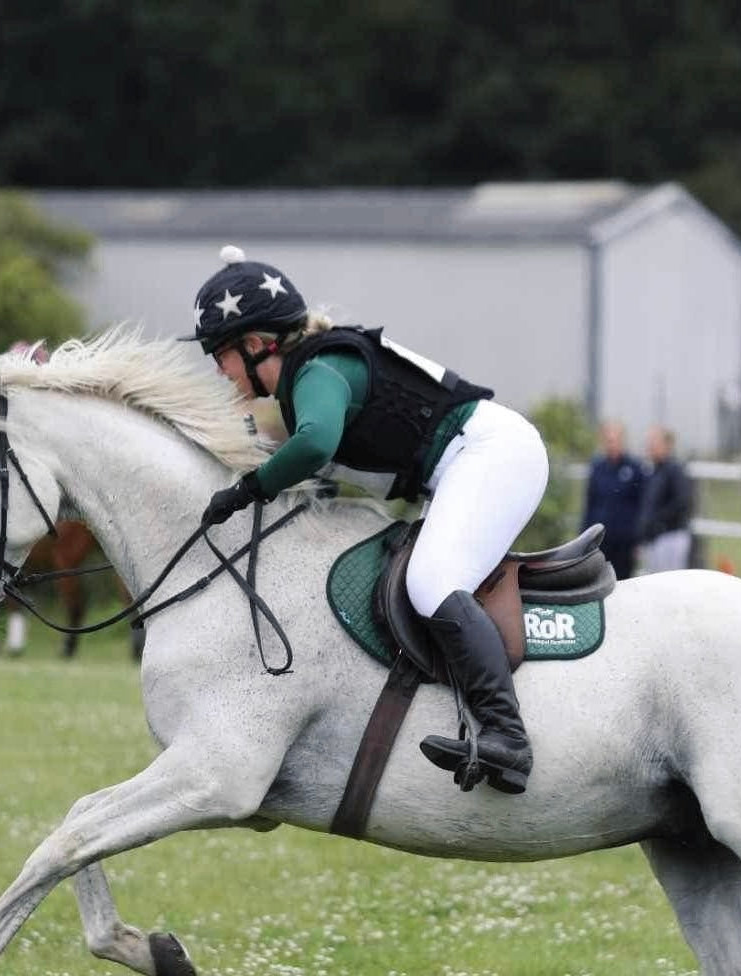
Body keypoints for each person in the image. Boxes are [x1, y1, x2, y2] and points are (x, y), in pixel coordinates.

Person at [189, 245, 548, 795]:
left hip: (490, 454)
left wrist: (248, 489)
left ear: (256, 344)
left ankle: (507, 736)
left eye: (221, 354)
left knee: (431, 582)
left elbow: (314, 445)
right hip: (462, 464)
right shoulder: (308, 378)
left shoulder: (319, 369)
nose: (218, 370)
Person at [579, 419, 644, 581]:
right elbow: (590, 502)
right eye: (608, 440)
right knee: (598, 580)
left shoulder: (634, 468)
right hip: (600, 538)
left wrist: (638, 538)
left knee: (624, 581)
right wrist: (584, 535)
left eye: (615, 439)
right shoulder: (597, 467)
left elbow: (641, 504)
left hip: (624, 539)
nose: (612, 444)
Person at [636, 425, 695, 573]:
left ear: (668, 445)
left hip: (671, 536)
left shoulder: (675, 470)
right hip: (655, 537)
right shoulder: (652, 470)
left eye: (654, 442)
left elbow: (682, 502)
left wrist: (658, 522)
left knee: (670, 579)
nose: (650, 446)